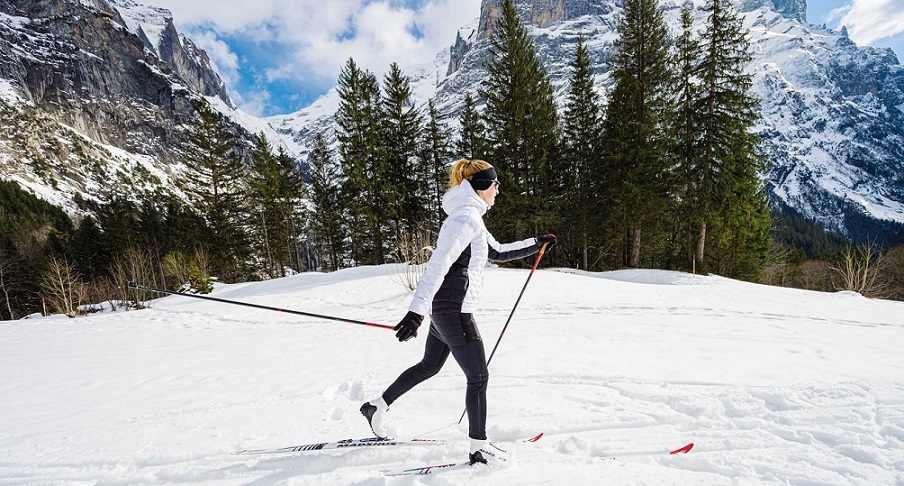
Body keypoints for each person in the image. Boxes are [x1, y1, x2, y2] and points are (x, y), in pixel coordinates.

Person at [359, 158, 556, 465]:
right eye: (494, 185)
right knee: (478, 376)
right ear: (480, 186)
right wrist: (416, 311)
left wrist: (536, 243)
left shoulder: (470, 217)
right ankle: (479, 446)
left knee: (429, 365)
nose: (497, 191)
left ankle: (377, 406)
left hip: (446, 307)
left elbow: (497, 251)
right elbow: (438, 264)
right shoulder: (465, 218)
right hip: (453, 309)